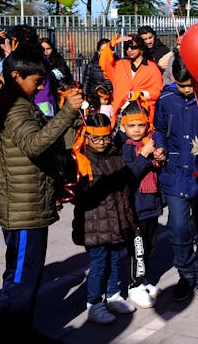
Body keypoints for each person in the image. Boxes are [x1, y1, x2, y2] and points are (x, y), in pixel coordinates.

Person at [0, 50, 83, 342]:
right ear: (16, 76)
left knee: (26, 274)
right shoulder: (15, 108)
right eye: (37, 81)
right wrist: (67, 111)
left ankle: (20, 330)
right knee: (21, 276)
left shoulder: (18, 102)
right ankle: (12, 334)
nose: (41, 87)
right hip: (23, 206)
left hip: (27, 201)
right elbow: (33, 145)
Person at [153, 55, 198, 302]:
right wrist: (160, 148)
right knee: (178, 227)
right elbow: (158, 130)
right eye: (183, 85)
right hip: (175, 173)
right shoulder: (166, 100)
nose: (188, 90)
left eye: (191, 85)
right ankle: (185, 274)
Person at [70, 113, 138, 324]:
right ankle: (94, 303)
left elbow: (126, 184)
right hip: (94, 223)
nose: (101, 143)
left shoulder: (115, 155)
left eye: (106, 138)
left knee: (117, 259)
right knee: (99, 264)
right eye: (96, 139)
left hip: (116, 220)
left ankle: (114, 294)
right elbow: (80, 195)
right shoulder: (82, 159)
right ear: (86, 136)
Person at [118, 100, 166, 309]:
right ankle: (134, 285)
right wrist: (145, 154)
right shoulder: (124, 148)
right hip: (135, 207)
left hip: (151, 206)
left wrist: (159, 158)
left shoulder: (149, 142)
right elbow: (130, 175)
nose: (137, 130)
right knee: (137, 249)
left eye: (141, 125)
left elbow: (157, 170)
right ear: (122, 126)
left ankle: (143, 279)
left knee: (150, 245)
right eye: (132, 125)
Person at [100, 34, 163, 121]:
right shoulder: (120, 65)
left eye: (133, 47)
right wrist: (113, 44)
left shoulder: (152, 68)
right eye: (126, 47)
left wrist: (142, 94)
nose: (129, 50)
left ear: (140, 48)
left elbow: (157, 92)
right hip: (121, 113)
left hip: (142, 114)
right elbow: (104, 63)